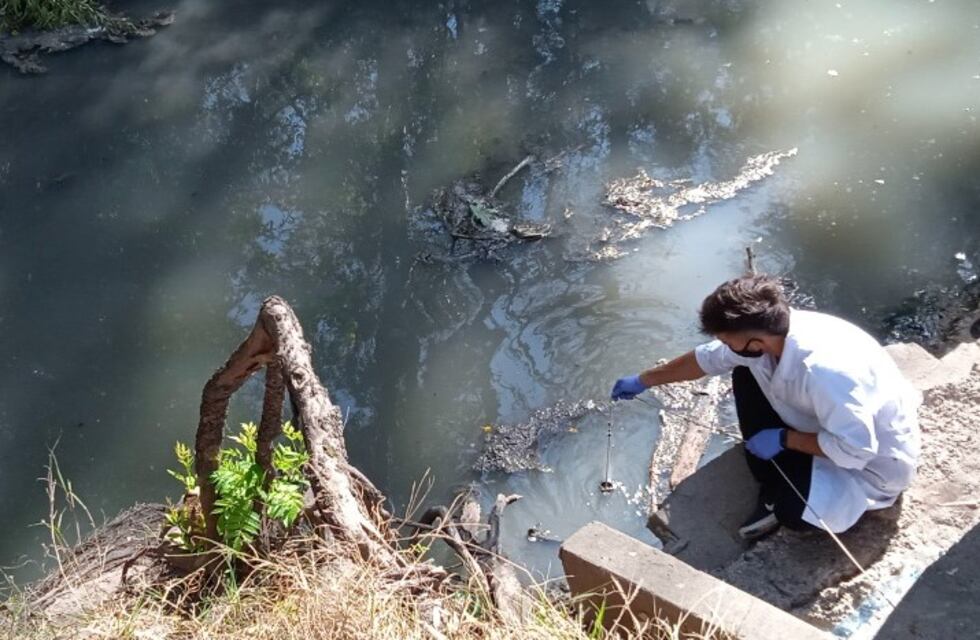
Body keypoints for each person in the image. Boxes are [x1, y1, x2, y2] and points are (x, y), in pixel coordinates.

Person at [611, 275, 921, 539]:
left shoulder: (825, 370)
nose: (724, 345)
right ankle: (774, 471)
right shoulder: (769, 336)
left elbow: (856, 450)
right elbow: (705, 359)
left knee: (794, 513)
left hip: (870, 464)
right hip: (825, 422)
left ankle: (782, 488)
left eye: (726, 339)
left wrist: (785, 439)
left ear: (756, 341)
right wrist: (645, 379)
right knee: (743, 370)